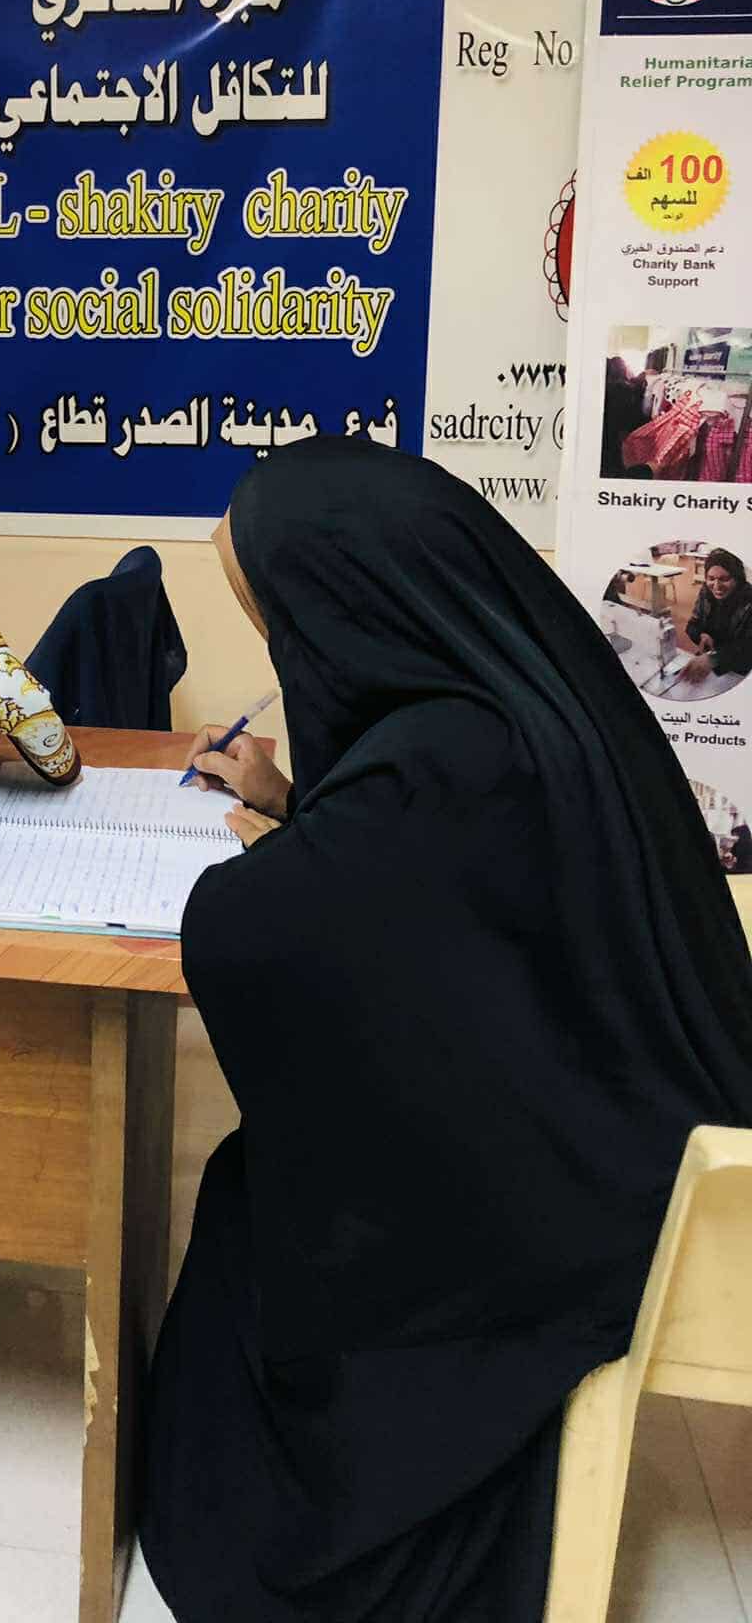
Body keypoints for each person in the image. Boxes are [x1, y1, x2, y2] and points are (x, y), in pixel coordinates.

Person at [140, 439, 752, 1623]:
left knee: (254, 1199)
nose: (290, 656)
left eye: (282, 628)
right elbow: (438, 910)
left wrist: (257, 866)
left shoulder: (447, 761)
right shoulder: (508, 696)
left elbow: (256, 933)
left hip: (595, 1204)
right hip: (637, 1111)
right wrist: (291, 799)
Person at [682, 547, 752, 684]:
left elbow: (748, 649)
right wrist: (701, 635)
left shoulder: (748, 601)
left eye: (724, 579)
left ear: (737, 579)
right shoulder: (706, 593)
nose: (716, 586)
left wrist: (714, 659)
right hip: (711, 664)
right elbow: (692, 625)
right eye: (711, 578)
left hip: (739, 672)